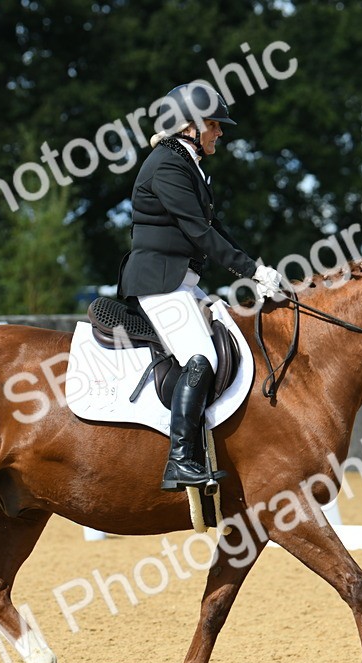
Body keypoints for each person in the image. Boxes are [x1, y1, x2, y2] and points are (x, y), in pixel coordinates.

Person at [117, 83, 284, 491]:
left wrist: (256, 268)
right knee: (201, 355)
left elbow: (216, 227)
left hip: (180, 283)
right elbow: (198, 231)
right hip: (158, 284)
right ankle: (180, 461)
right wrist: (248, 270)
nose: (220, 133)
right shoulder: (167, 166)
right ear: (190, 126)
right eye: (214, 125)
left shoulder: (187, 162)